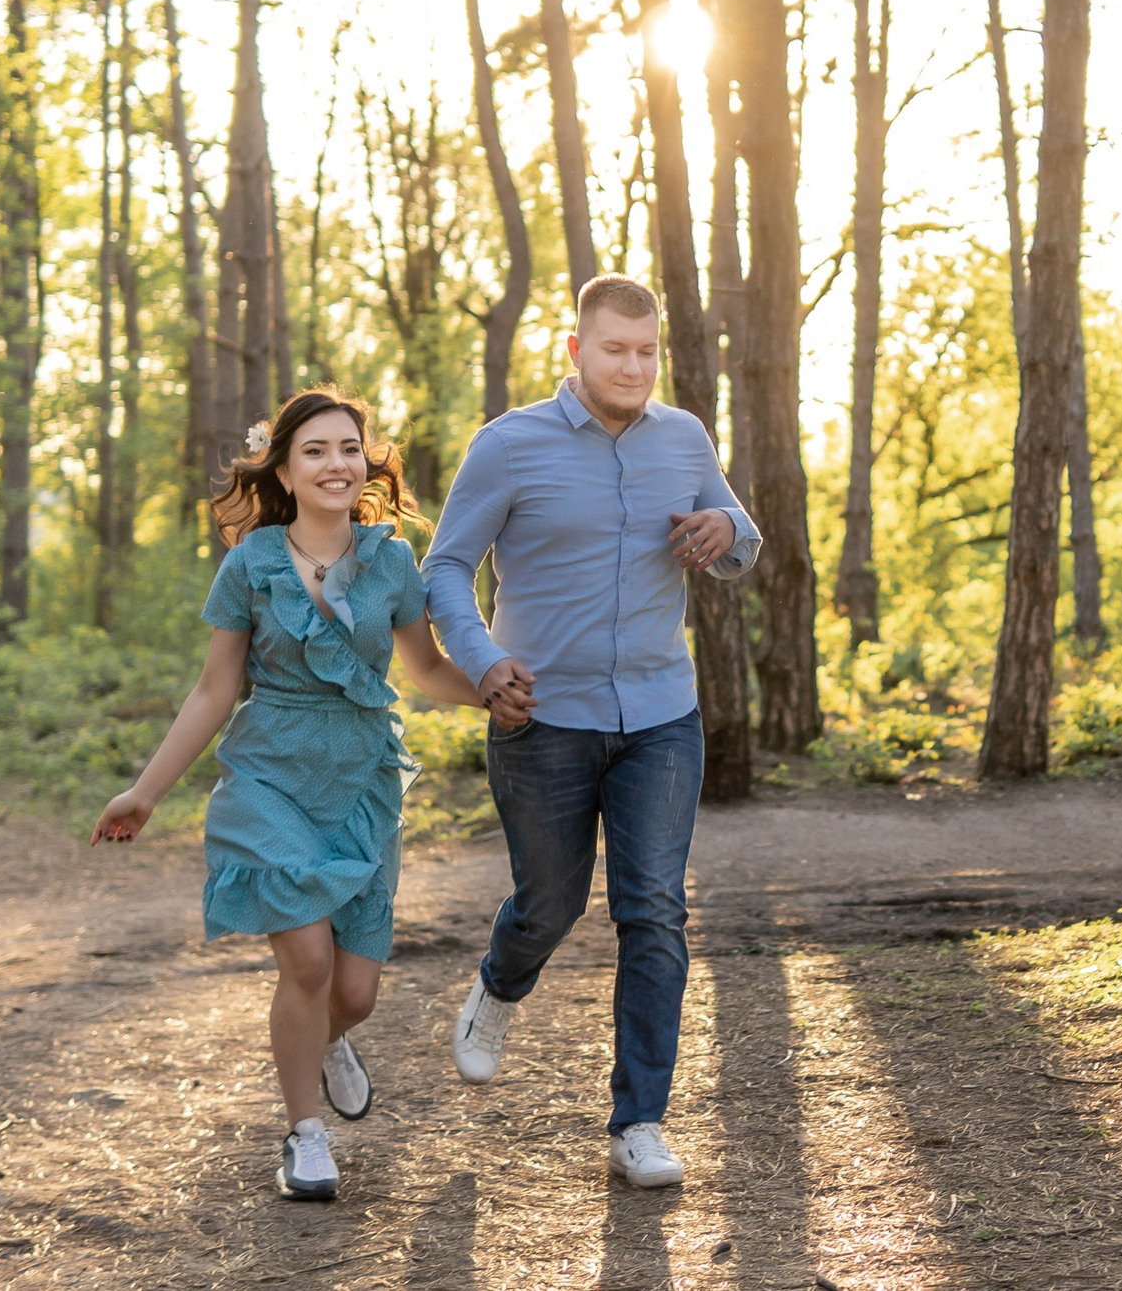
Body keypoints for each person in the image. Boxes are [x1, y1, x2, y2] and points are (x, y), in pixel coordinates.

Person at [92, 388, 484, 1202]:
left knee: (354, 993)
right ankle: (304, 1135)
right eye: (315, 450)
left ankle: (325, 1042)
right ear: (284, 466)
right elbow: (212, 691)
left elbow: (428, 670)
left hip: (362, 781)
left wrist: (500, 691)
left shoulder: (391, 560)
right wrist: (146, 791)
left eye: (348, 447)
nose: (336, 463)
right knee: (306, 961)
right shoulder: (251, 563)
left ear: (365, 462)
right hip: (269, 776)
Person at [424, 274, 758, 1190]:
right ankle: (500, 981)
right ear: (576, 351)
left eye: (648, 350)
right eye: (616, 349)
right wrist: (483, 660)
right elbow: (446, 567)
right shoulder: (508, 446)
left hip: (661, 717)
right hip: (543, 719)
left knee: (653, 910)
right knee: (552, 904)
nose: (634, 366)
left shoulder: (684, 437)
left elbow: (744, 542)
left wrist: (721, 524)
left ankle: (639, 1120)